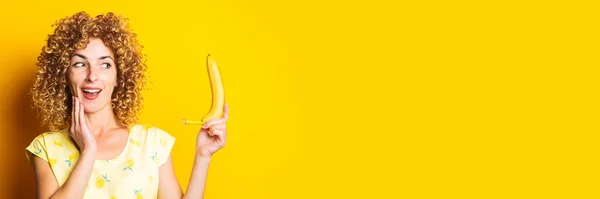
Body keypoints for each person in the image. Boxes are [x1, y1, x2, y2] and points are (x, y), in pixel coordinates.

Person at [25, 11, 228, 199]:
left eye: (105, 64)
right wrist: (88, 152)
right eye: (80, 64)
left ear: (119, 77)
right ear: (65, 76)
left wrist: (203, 155)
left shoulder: (152, 143)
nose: (92, 76)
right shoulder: (46, 148)